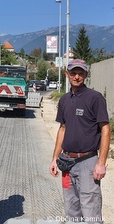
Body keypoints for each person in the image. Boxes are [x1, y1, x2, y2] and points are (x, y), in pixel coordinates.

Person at [49, 59, 110, 223]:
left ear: (86, 75)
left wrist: (101, 163)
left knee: (91, 212)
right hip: (67, 163)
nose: (77, 76)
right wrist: (55, 158)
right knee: (71, 210)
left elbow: (105, 129)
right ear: (67, 74)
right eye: (74, 73)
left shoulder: (95, 98)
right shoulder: (64, 100)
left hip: (87, 163)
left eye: (81, 73)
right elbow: (63, 129)